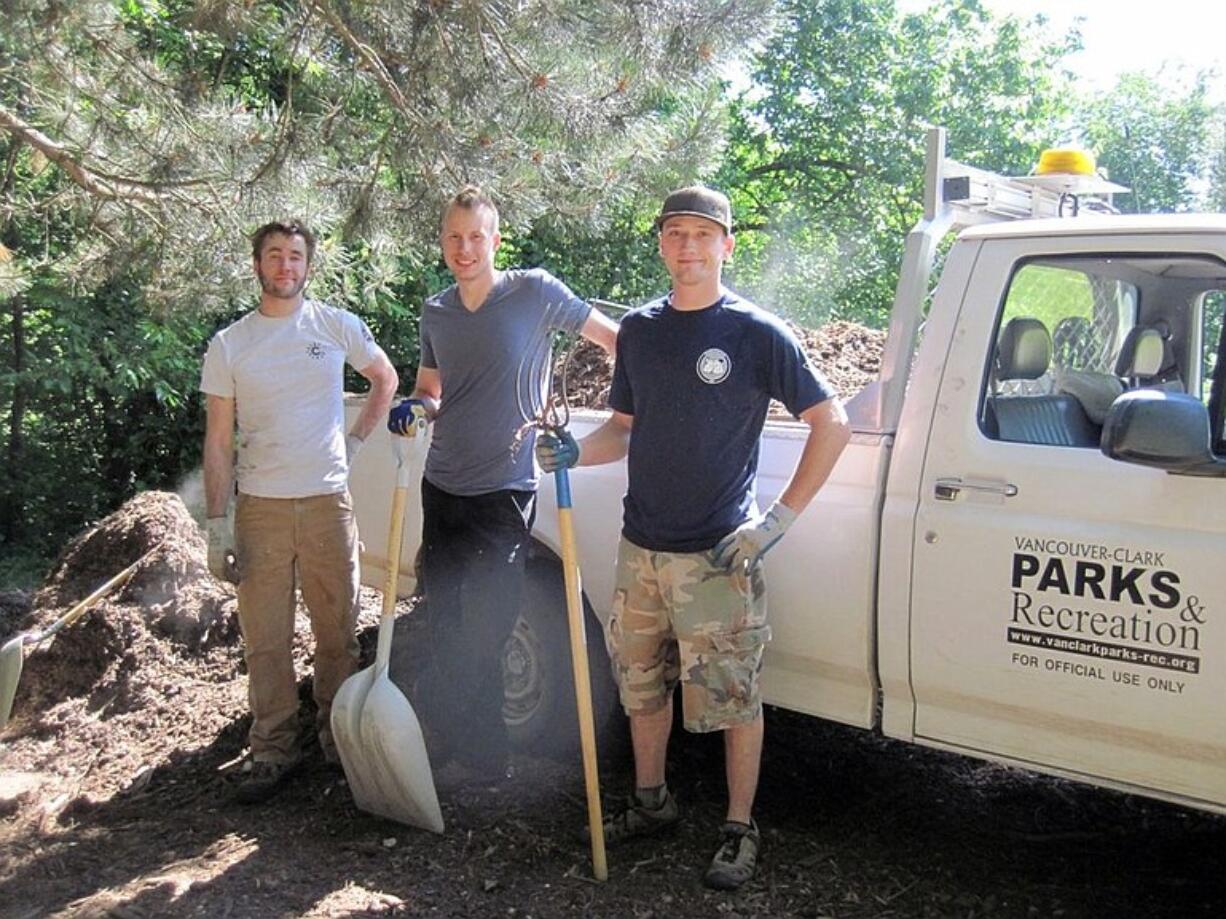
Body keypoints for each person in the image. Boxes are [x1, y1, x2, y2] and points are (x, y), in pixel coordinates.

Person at [536, 186, 851, 890]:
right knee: (641, 685)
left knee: (733, 696)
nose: (688, 247)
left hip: (717, 556)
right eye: (675, 233)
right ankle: (652, 802)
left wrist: (775, 523)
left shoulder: (755, 333)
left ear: (726, 246)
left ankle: (740, 826)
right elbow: (623, 428)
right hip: (641, 548)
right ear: (660, 244)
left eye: (703, 234)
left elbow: (832, 423)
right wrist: (571, 453)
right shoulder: (642, 331)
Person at [386, 186, 618, 787]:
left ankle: (471, 745)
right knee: (446, 621)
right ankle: (471, 752)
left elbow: (615, 340)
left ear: (496, 238)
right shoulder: (437, 310)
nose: (465, 249)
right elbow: (431, 388)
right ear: (443, 243)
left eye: (476, 237)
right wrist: (415, 408)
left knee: (489, 625)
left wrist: (632, 412)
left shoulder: (534, 292)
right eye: (454, 238)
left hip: (505, 490)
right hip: (443, 487)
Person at [201, 220, 399, 803]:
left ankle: (338, 743)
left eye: (295, 256)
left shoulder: (335, 326)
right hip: (260, 508)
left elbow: (385, 378)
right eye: (274, 256)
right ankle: (272, 751)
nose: (285, 266)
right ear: (258, 264)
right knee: (266, 639)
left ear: (308, 266)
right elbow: (217, 442)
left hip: (326, 505)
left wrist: (357, 442)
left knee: (337, 634)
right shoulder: (231, 344)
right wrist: (218, 524)